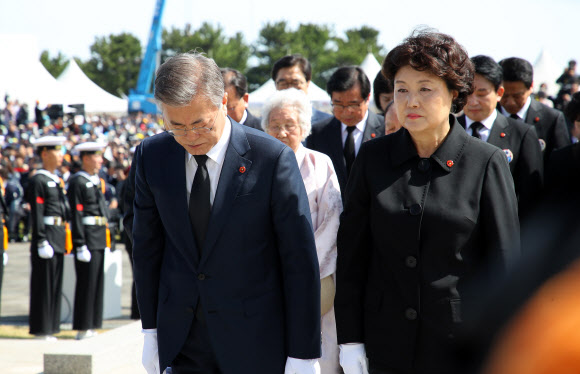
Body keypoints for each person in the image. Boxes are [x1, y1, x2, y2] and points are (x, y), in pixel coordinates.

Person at [334, 30, 520, 374]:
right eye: (402, 90)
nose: (411, 101)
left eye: (425, 89)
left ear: (454, 95)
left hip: (459, 346)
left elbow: (504, 265)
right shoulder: (373, 158)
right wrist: (350, 340)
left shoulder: (485, 162)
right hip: (385, 343)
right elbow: (352, 257)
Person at [133, 52, 321, 374]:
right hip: (182, 340)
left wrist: (303, 353)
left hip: (255, 340)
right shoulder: (153, 155)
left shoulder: (271, 158)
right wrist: (150, 329)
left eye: (199, 124)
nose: (189, 137)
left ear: (222, 100)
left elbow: (299, 260)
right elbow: (147, 247)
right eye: (175, 126)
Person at [262, 88, 343, 374]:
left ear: (304, 128)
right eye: (275, 125)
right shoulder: (256, 166)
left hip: (315, 275)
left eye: (289, 125)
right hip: (266, 276)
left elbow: (332, 218)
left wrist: (303, 264)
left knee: (318, 352)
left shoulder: (320, 163)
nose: (282, 132)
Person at [457, 55, 544, 221]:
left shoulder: (522, 134)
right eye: (467, 94)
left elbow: (531, 197)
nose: (473, 102)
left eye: (482, 94)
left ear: (499, 92)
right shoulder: (448, 129)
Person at [305, 66, 385, 199]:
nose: (347, 112)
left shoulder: (386, 128)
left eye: (353, 104)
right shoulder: (318, 133)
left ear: (367, 98)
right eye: (338, 105)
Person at [26, 136, 69, 340]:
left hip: (58, 236)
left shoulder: (55, 179)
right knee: (44, 285)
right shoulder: (38, 180)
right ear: (44, 154)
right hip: (47, 237)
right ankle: (41, 328)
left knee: (55, 284)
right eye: (57, 152)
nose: (61, 156)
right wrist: (41, 239)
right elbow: (37, 212)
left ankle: (51, 327)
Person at [67, 141, 109, 340]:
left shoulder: (95, 180)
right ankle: (83, 327)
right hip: (87, 238)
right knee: (86, 283)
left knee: (97, 283)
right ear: (85, 158)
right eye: (97, 156)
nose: (100, 160)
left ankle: (93, 323)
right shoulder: (78, 181)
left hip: (99, 236)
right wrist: (79, 243)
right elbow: (76, 214)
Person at [498, 57, 570, 163]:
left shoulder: (551, 119)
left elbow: (563, 163)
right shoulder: (487, 116)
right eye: (504, 95)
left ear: (531, 86)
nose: (510, 102)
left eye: (517, 96)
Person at [272, 54, 332, 124]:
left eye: (295, 83)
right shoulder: (264, 125)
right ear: (275, 85)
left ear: (308, 83)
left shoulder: (327, 124)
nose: (290, 89)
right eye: (283, 83)